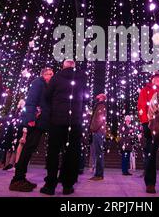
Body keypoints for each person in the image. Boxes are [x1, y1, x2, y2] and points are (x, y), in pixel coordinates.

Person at [40, 60, 86, 196]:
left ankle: (50, 186)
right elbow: (86, 97)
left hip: (57, 121)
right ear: (74, 66)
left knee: (53, 152)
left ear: (63, 66)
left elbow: (47, 96)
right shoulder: (82, 78)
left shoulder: (57, 77)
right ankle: (67, 185)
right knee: (71, 153)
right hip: (75, 122)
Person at [9, 67, 53, 192]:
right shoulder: (38, 83)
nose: (51, 76)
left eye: (52, 74)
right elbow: (31, 101)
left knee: (30, 148)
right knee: (28, 148)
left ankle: (21, 177)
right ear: (43, 75)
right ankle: (17, 179)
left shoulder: (44, 85)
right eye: (49, 74)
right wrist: (31, 118)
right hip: (35, 121)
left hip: (40, 121)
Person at [137, 71, 159, 193]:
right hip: (151, 125)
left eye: (158, 78)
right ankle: (150, 183)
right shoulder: (145, 90)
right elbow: (141, 107)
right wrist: (145, 123)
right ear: (152, 80)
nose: (157, 80)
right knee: (151, 155)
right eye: (155, 78)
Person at [88, 93, 107, 181]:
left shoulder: (101, 106)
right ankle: (98, 174)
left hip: (98, 131)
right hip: (97, 131)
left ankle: (99, 174)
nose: (97, 96)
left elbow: (99, 119)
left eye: (99, 95)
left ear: (102, 98)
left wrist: (93, 128)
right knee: (97, 153)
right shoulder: (98, 106)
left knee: (99, 153)